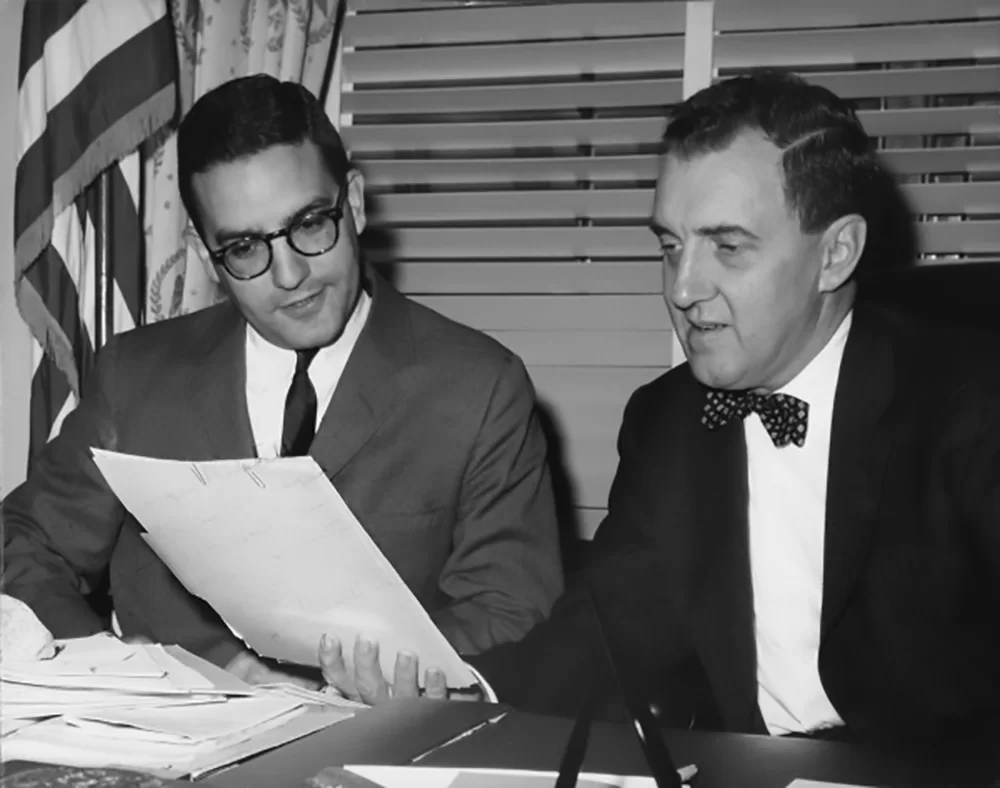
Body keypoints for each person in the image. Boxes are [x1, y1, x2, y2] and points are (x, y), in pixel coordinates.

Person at [320, 71, 1000, 745]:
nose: (683, 287)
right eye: (670, 247)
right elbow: (605, 632)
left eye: (727, 247)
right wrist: (461, 693)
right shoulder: (669, 420)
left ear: (835, 254)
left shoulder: (971, 405)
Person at [1, 74, 564, 686]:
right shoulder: (132, 377)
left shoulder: (479, 388)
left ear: (354, 200)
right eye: (244, 248)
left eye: (311, 224)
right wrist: (123, 669)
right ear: (202, 250)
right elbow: (25, 545)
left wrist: (354, 677)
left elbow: (512, 612)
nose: (291, 275)